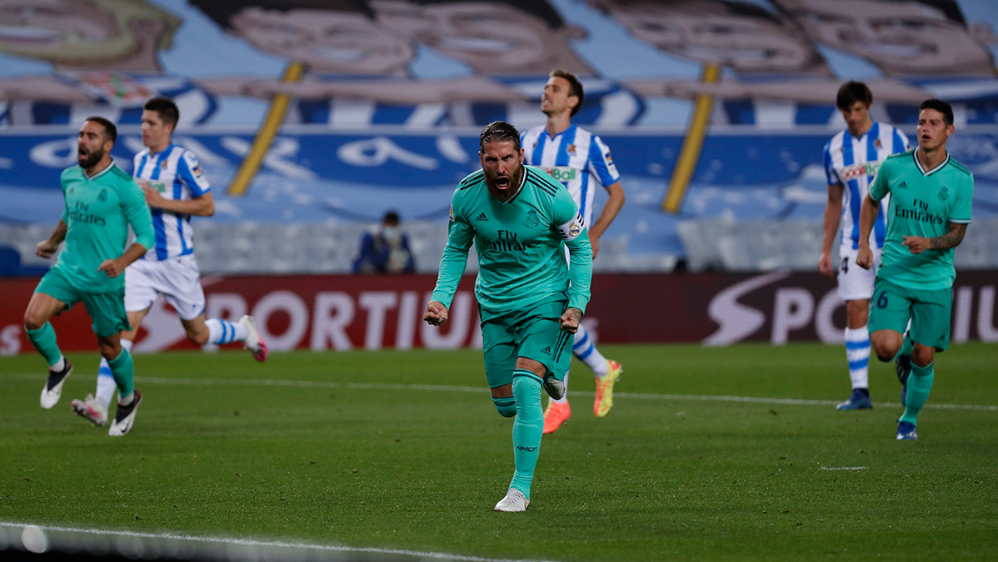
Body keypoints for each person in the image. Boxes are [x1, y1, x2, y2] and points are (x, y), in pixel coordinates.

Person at [423, 121, 592, 511]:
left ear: (521, 157)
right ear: (480, 159)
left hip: (545, 301)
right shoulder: (465, 195)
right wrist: (441, 298)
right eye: (491, 160)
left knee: (524, 385)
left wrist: (576, 303)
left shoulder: (553, 196)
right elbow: (455, 250)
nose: (500, 168)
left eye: (508, 158)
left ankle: (520, 489)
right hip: (495, 305)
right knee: (506, 405)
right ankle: (552, 368)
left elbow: (581, 251)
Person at [69, 97, 268, 427]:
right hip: (142, 263)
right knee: (120, 333)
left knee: (199, 335)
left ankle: (244, 330)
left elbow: (207, 206)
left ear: (168, 127)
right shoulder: (139, 160)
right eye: (143, 122)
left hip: (177, 264)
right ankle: (100, 405)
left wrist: (162, 201)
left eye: (150, 123)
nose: (143, 128)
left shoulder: (183, 160)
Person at [23, 116, 154, 436]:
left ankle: (127, 399)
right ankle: (58, 367)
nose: (83, 140)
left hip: (104, 281)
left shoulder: (124, 187)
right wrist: (53, 242)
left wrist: (122, 262)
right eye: (81, 134)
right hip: (68, 269)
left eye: (91, 136)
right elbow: (69, 214)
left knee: (110, 349)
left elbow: (146, 237)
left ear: (107, 145)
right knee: (33, 319)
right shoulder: (70, 177)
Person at [857, 98, 973, 440]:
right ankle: (902, 350)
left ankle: (908, 420)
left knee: (925, 355)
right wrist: (864, 243)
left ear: (949, 130)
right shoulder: (894, 166)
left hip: (935, 278)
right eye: (922, 122)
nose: (925, 128)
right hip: (894, 271)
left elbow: (958, 233)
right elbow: (872, 200)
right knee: (884, 348)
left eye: (934, 123)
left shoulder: (960, 179)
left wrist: (931, 243)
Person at [519, 69, 624, 434]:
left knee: (553, 317)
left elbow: (617, 194)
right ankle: (602, 369)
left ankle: (559, 403)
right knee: (553, 319)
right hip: (534, 248)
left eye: (555, 88)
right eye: (546, 87)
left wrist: (594, 233)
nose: (547, 93)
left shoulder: (590, 144)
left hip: (569, 244)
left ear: (573, 100)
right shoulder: (528, 142)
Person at [819, 81, 909, 411]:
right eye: (847, 111)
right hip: (852, 243)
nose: (854, 117)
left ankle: (908, 375)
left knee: (901, 311)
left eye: (858, 109)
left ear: (868, 105)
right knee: (855, 308)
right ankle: (860, 391)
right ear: (841, 112)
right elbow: (833, 202)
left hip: (894, 241)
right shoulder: (833, 149)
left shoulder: (895, 139)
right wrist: (825, 249)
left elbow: (910, 186)